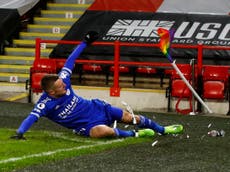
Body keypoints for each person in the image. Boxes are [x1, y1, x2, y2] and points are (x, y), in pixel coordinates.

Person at [11, 31, 183, 140]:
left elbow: (70, 61)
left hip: (98, 108)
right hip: (86, 125)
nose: (65, 85)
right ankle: (135, 134)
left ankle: (162, 129)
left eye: (63, 83)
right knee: (103, 132)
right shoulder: (45, 104)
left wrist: (84, 43)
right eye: (60, 86)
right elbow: (31, 118)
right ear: (51, 91)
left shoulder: (63, 80)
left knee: (131, 118)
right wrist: (20, 133)